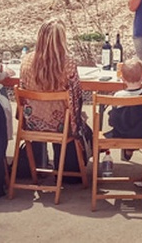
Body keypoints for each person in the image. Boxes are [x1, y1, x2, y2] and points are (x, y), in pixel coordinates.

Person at [17, 18, 88, 181]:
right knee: (79, 125)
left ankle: (36, 166)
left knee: (55, 116)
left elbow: (22, 87)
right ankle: (69, 172)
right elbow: (76, 97)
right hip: (60, 125)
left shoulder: (26, 60)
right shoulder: (68, 63)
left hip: (32, 123)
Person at [105, 57, 142, 161]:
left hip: (120, 135)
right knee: (135, 124)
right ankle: (130, 148)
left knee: (113, 130)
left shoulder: (118, 95)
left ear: (122, 78)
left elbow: (112, 121)